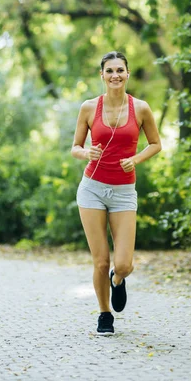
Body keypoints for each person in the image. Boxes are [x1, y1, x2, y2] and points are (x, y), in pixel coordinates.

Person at [71, 51, 162, 335]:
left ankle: (118, 280)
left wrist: (134, 160)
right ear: (102, 75)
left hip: (124, 191)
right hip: (92, 189)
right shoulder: (88, 108)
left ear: (127, 73)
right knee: (101, 260)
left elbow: (155, 144)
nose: (115, 75)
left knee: (123, 264)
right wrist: (87, 152)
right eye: (109, 71)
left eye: (120, 70)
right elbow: (74, 147)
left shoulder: (141, 108)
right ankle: (104, 314)